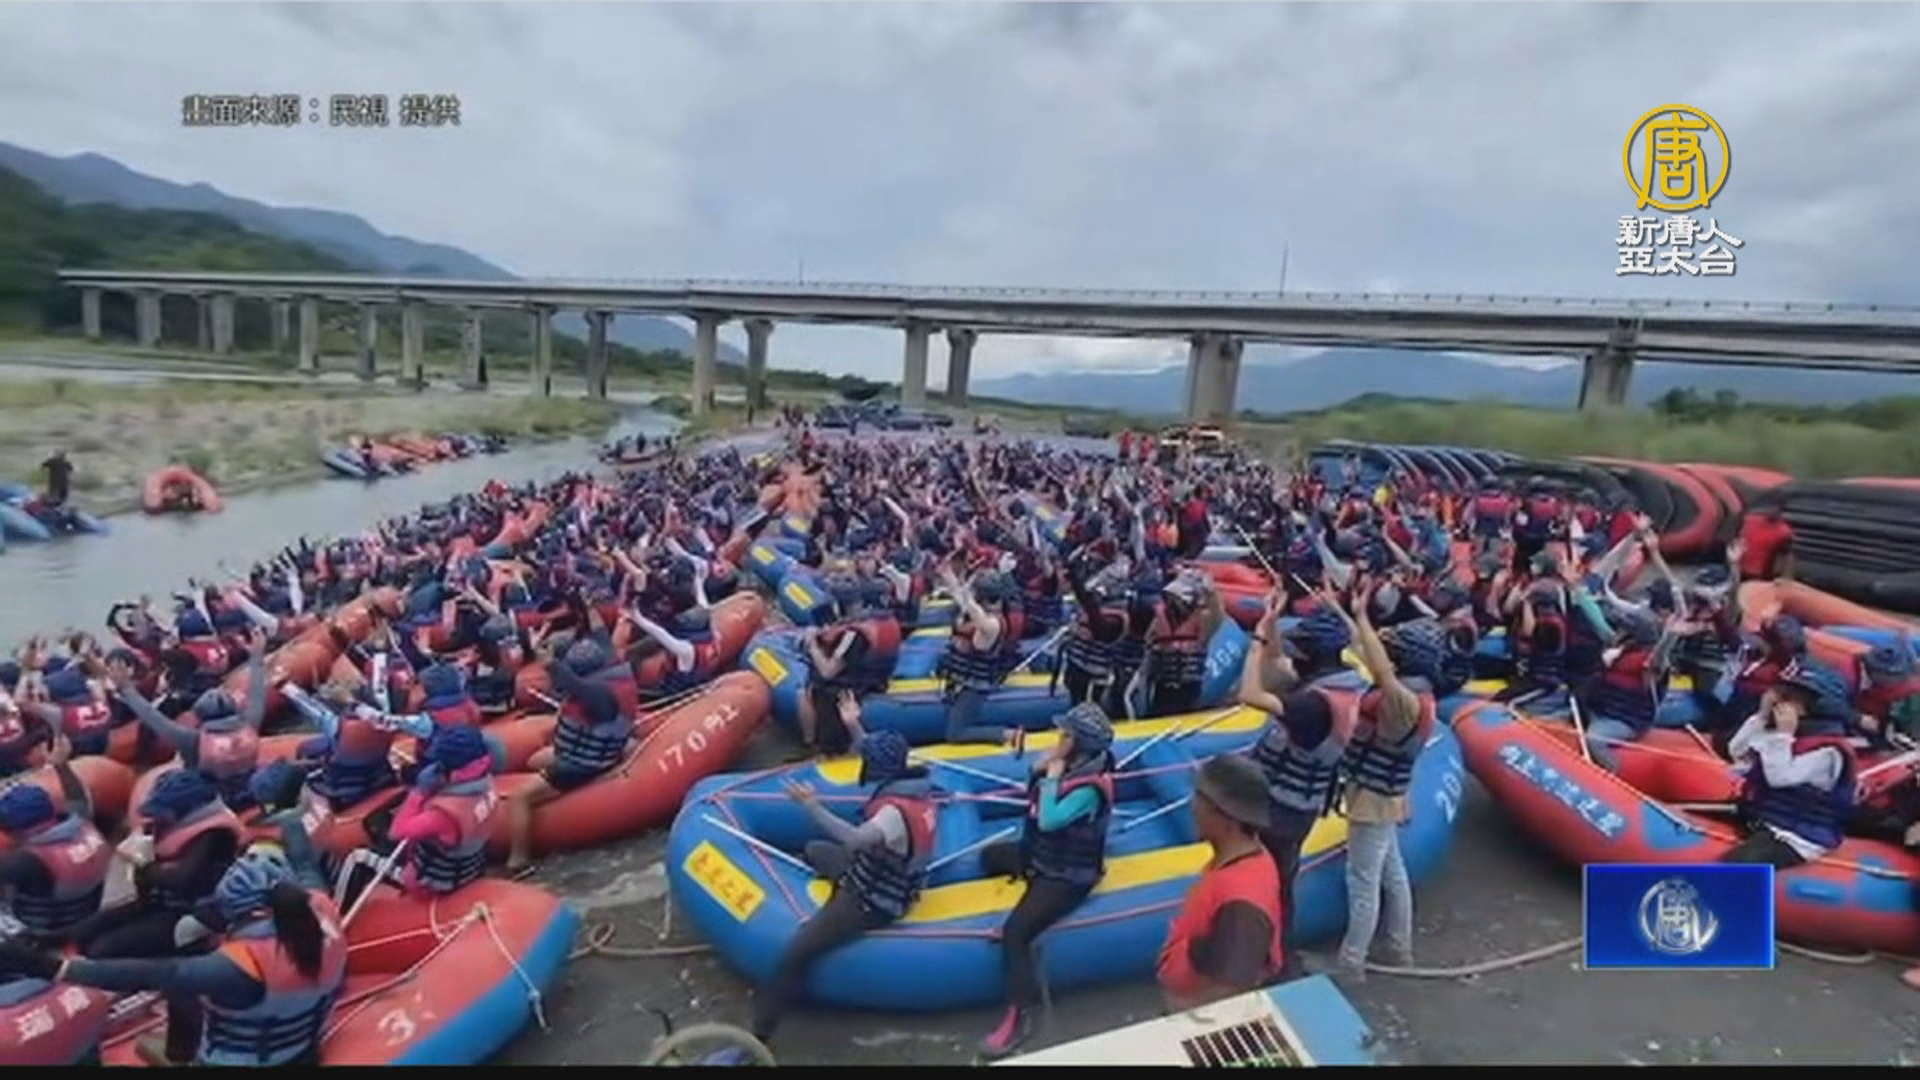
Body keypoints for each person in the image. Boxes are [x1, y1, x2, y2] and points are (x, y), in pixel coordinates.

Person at [0, 848, 349, 1066]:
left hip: (248, 1061)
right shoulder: (323, 909)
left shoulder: (238, 967)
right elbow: (307, 866)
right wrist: (292, 824)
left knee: (179, 983)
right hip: (304, 1051)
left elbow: (153, 973)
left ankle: (181, 1056)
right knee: (183, 987)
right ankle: (178, 1053)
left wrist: (53, 967)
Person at [749, 697, 936, 1046]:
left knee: (797, 953)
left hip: (872, 901)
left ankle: (758, 1037)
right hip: (871, 869)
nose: (861, 760)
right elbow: (872, 750)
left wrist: (812, 806)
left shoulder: (893, 815)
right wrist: (853, 724)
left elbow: (854, 840)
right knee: (814, 849)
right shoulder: (914, 788)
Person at [977, 703, 1116, 1059]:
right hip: (1040, 857)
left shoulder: (1089, 787)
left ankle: (1019, 1018)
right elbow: (1035, 796)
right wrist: (1042, 768)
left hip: (1067, 877)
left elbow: (1049, 820)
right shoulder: (1071, 764)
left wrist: (1052, 775)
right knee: (989, 856)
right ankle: (1026, 879)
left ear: (1078, 743)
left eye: (1065, 734)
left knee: (1015, 934)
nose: (1059, 738)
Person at [1236, 593, 1357, 981]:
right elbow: (1279, 664)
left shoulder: (1313, 707)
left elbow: (1248, 694)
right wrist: (1270, 622)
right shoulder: (1341, 686)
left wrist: (1256, 641)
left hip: (1280, 812)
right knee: (1279, 884)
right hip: (1295, 806)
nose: (1294, 659)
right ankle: (1273, 956)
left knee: (1270, 887)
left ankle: (1273, 962)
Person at [1322, 581, 1437, 983]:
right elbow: (1366, 649)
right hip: (1386, 795)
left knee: (1363, 882)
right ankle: (1399, 948)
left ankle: (1351, 965)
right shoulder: (1414, 694)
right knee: (1392, 873)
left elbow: (1381, 668)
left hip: (1373, 798)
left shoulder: (1404, 701)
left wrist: (1361, 616)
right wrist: (1345, 611)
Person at [1155, 754, 1284, 1011]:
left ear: (1229, 818)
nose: (1193, 808)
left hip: (1200, 1020)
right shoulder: (1241, 861)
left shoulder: (1242, 901)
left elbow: (1231, 993)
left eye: (1201, 800)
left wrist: (1181, 1015)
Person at [72, 769, 243, 960]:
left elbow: (183, 880)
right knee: (82, 932)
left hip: (192, 916)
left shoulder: (213, 835)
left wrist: (147, 871)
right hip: (159, 903)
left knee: (101, 949)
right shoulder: (167, 826)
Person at [507, 637, 635, 869]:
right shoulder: (615, 680)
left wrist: (551, 665)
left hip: (582, 766)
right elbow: (600, 637)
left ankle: (519, 859)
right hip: (601, 754)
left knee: (519, 798)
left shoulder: (599, 696)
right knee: (535, 760)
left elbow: (581, 690)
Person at [1722, 665, 1857, 870]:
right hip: (1764, 818)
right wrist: (1761, 716)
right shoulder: (1786, 735)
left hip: (1795, 837)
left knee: (1733, 868)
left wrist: (1783, 735)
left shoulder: (1829, 752)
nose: (1782, 704)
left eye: (1792, 698)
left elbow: (1779, 778)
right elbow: (1737, 752)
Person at [0, 784, 111, 946]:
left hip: (43, 934)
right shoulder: (85, 827)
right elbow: (78, 799)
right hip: (87, 919)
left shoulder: (26, 861)